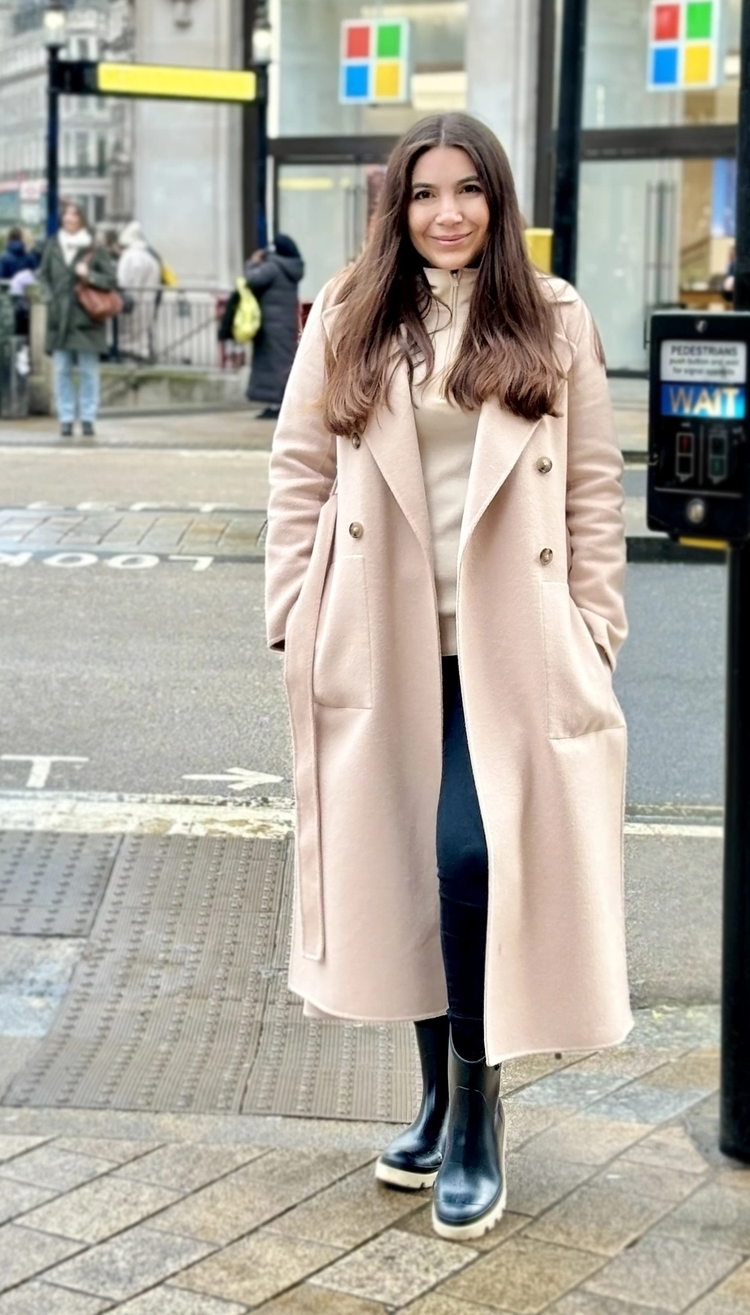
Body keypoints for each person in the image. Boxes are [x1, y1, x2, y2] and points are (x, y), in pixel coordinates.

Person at [265, 112, 628, 1242]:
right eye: (426, 194)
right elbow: (298, 473)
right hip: (382, 639)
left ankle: (478, 1112)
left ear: (498, 201)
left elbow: (597, 489)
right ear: (397, 207)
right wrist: (293, 614)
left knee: (473, 856)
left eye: (468, 191)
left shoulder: (552, 315)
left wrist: (593, 627)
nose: (449, 214)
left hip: (513, 648)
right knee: (412, 865)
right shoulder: (350, 312)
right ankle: (433, 1095)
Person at [37, 202, 117, 437]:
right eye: (66, 214)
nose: (69, 218)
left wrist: (89, 275)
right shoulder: (53, 245)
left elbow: (111, 280)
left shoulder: (95, 247)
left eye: (74, 214)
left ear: (82, 218)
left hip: (87, 317)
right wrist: (49, 299)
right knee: (61, 369)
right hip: (59, 318)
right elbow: (43, 276)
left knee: (88, 370)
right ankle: (66, 418)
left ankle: (88, 417)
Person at [245, 234, 305, 419]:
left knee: (273, 365)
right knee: (283, 363)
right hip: (286, 322)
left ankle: (276, 404)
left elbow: (251, 280)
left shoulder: (273, 266)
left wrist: (252, 263)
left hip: (271, 324)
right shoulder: (293, 267)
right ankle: (281, 403)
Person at [116, 220, 161, 362]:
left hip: (131, 304)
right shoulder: (150, 256)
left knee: (130, 333)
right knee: (143, 329)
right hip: (147, 303)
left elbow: (124, 282)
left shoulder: (130, 256)